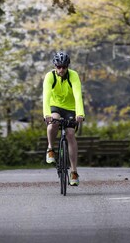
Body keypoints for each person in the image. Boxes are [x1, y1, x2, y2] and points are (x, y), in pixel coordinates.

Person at [42, 51, 85, 186]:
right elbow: (46, 96)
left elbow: (78, 96)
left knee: (71, 134)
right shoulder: (50, 76)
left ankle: (73, 171)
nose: (61, 70)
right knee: (53, 122)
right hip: (55, 106)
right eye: (59, 67)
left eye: (64, 67)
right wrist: (46, 115)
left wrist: (80, 114)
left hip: (71, 108)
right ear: (55, 66)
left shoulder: (73, 76)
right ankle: (50, 149)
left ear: (68, 67)